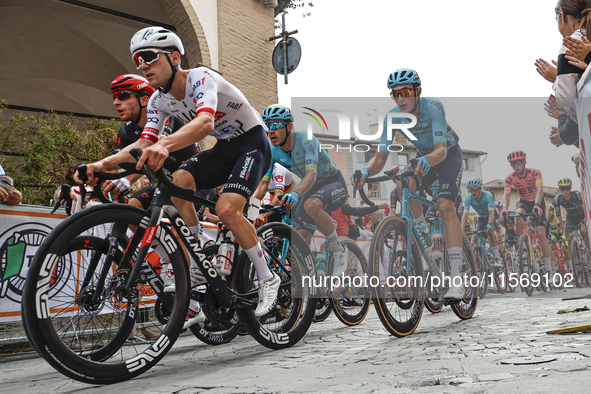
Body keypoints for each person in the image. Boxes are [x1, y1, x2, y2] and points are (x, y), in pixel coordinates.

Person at [76, 27, 279, 323]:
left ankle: (267, 277)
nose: (143, 65)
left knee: (226, 209)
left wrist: (165, 145)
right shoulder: (159, 101)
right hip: (224, 148)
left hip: (252, 143)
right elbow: (142, 143)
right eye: (137, 60)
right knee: (178, 183)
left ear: (173, 57)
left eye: (149, 56)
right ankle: (196, 258)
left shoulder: (200, 78)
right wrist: (98, 165)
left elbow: (206, 122)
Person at [352, 68, 465, 300]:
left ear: (417, 91)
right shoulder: (393, 117)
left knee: (444, 206)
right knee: (403, 185)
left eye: (404, 92)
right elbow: (380, 158)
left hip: (446, 155)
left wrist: (426, 158)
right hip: (425, 156)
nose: (400, 98)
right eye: (395, 94)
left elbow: (441, 150)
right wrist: (365, 171)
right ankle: (423, 232)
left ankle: (456, 279)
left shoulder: (433, 107)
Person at [261, 104, 348, 277]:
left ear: (289, 127)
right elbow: (263, 184)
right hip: (310, 189)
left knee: (311, 205)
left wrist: (295, 193)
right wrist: (251, 204)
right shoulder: (272, 150)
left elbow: (311, 174)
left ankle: (339, 249)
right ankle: (313, 272)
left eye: (276, 125)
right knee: (299, 236)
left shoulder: (306, 139)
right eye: (268, 126)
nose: (271, 131)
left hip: (332, 182)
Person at [106, 73, 201, 205]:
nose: (115, 102)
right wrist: (94, 176)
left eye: (122, 96)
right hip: (171, 180)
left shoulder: (167, 116)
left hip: (198, 180)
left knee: (174, 216)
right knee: (134, 203)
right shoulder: (126, 131)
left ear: (144, 100)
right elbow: (114, 163)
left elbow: (155, 151)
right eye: (114, 97)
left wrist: (128, 179)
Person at [501, 151, 554, 274]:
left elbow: (540, 188)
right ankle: (523, 247)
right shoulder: (510, 178)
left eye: (518, 163)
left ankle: (550, 269)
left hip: (537, 202)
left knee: (541, 235)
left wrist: (537, 205)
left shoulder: (535, 172)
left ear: (524, 162)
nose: (515, 166)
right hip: (524, 202)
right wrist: (504, 208)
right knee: (518, 213)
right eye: (512, 164)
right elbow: (506, 194)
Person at [460, 178, 502, 266]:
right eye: (471, 190)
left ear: (480, 189)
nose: (473, 192)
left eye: (475, 190)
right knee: (479, 240)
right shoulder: (468, 198)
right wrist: (462, 229)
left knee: (490, 230)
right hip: (482, 218)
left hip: (492, 216)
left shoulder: (488, 195)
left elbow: (491, 212)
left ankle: (497, 256)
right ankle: (483, 262)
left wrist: (490, 224)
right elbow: (465, 215)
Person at [554, 178, 588, 265]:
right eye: (562, 188)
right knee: (569, 238)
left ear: (570, 188)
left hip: (581, 216)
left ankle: (589, 248)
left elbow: (585, 206)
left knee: (584, 231)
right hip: (570, 219)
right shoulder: (557, 199)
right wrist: (559, 223)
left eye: (567, 188)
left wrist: (585, 219)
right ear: (559, 189)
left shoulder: (577, 195)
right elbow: (558, 215)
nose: (565, 191)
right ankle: (575, 262)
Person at [254, 163, 298, 227]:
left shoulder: (278, 169)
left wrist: (262, 215)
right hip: (284, 202)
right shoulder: (262, 174)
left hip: (297, 201)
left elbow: (278, 196)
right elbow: (259, 194)